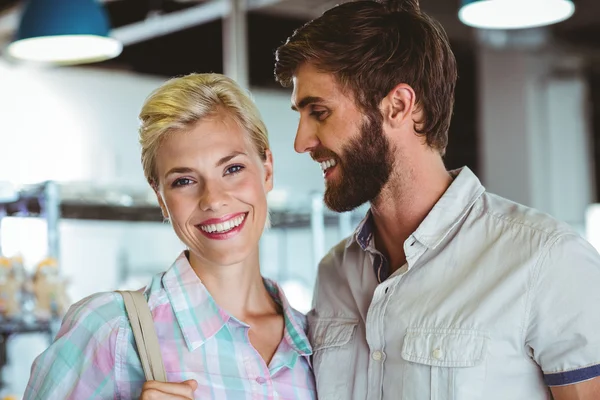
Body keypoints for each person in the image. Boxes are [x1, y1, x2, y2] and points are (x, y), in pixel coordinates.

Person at [274, 0, 600, 399]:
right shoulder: (333, 276)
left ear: (398, 105)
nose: (300, 142)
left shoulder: (547, 261)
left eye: (319, 112)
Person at [24, 73, 316, 399]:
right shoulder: (112, 330)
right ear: (161, 197)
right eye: (184, 181)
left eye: (232, 169)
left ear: (267, 170)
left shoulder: (319, 345)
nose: (214, 199)